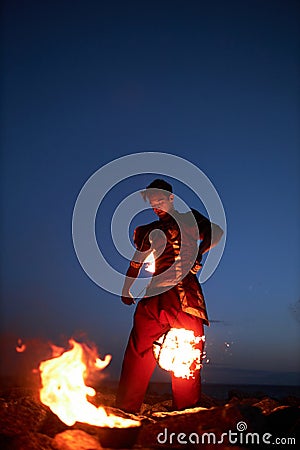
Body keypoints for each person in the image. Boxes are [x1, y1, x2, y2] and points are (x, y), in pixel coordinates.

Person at [116, 179, 223, 413]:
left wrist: (197, 252)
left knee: (187, 355)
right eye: (153, 202)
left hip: (184, 298)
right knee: (137, 353)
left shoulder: (188, 218)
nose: (156, 205)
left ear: (171, 198)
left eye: (160, 200)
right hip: (156, 299)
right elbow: (136, 263)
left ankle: (185, 413)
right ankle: (126, 410)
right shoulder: (147, 231)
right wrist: (126, 289)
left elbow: (215, 233)